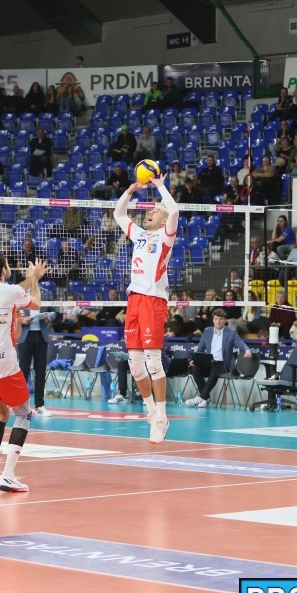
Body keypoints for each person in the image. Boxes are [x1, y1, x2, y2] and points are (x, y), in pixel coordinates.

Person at [0, 253, 48, 492]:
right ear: (4, 270)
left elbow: (11, 294)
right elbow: (36, 303)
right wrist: (35, 279)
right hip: (1, 362)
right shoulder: (8, 291)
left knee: (0, 412)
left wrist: (28, 280)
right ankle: (8, 475)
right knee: (24, 413)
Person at [113, 171, 179, 443]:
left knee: (153, 362)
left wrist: (161, 187)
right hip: (135, 300)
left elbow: (175, 211)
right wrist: (130, 191)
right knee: (136, 366)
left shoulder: (166, 237)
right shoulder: (139, 234)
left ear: (164, 220)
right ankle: (151, 411)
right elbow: (118, 214)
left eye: (156, 211)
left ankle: (162, 417)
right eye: (151, 209)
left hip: (154, 300)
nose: (150, 212)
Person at [184, 310, 252, 408]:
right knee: (195, 368)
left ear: (225, 320)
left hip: (224, 365)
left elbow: (241, 344)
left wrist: (247, 350)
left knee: (215, 369)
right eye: (216, 319)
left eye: (221, 319)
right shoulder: (207, 331)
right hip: (209, 363)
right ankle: (205, 398)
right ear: (213, 320)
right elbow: (200, 349)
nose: (218, 321)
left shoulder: (231, 332)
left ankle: (201, 397)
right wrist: (193, 360)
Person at [17, 306, 56, 416]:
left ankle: (39, 406)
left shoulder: (43, 299)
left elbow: (54, 312)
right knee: (23, 371)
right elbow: (12, 315)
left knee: (40, 371)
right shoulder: (22, 300)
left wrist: (49, 317)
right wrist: (21, 320)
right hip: (25, 337)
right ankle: (20, 404)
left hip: (41, 337)